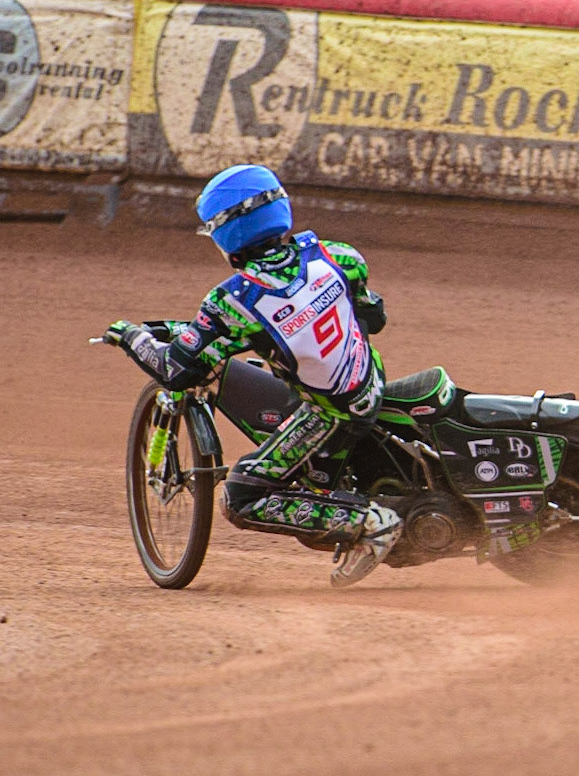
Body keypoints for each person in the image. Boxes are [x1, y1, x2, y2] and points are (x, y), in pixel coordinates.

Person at [101, 164, 402, 587]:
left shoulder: (234, 299)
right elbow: (375, 316)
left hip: (329, 413)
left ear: (228, 234)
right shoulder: (338, 254)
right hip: (369, 380)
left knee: (241, 495)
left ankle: (370, 523)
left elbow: (176, 371)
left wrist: (130, 336)